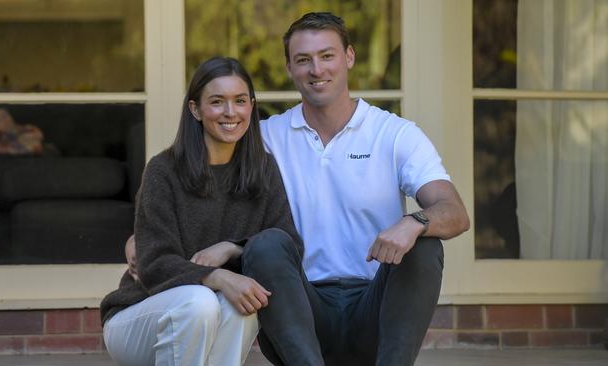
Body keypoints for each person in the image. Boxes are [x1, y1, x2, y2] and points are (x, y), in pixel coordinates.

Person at [241, 12, 470, 366]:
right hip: (302, 312)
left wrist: (414, 222)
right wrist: (146, 236)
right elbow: (210, 199)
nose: (316, 69)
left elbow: (454, 212)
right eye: (303, 60)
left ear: (349, 57)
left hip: (375, 314)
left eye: (327, 55)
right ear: (289, 68)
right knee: (266, 245)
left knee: (424, 245)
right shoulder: (266, 138)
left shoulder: (394, 134)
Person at [100, 57, 303, 366]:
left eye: (239, 101)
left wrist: (232, 249)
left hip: (213, 314)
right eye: (217, 102)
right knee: (200, 302)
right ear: (195, 109)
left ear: (251, 105)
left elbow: (287, 244)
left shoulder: (263, 169)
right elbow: (154, 264)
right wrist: (216, 276)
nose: (230, 112)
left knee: (240, 306)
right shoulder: (164, 170)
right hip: (142, 313)